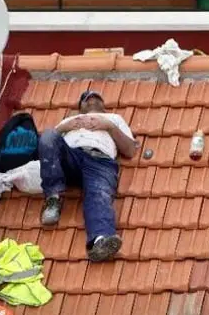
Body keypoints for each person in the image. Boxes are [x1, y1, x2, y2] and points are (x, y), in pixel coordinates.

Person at [38, 90, 138, 262]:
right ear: (80, 107)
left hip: (100, 162)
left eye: (96, 98)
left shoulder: (113, 119)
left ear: (104, 106)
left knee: (99, 195)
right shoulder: (69, 121)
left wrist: (108, 126)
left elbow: (130, 150)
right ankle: (53, 198)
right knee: (48, 135)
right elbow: (47, 147)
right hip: (72, 157)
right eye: (87, 99)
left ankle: (100, 241)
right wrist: (64, 128)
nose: (92, 100)